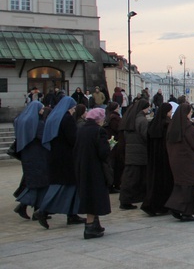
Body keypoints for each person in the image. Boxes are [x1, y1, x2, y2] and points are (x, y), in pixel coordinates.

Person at [34, 96, 86, 228]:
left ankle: (72, 214)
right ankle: (43, 211)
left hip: (55, 156)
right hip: (66, 157)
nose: (74, 110)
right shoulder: (67, 118)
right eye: (73, 108)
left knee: (68, 186)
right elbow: (73, 138)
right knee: (63, 186)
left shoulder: (54, 117)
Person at [164, 103, 194, 221]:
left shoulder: (173, 126)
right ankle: (186, 212)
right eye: (190, 112)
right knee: (190, 186)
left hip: (175, 160)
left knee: (180, 185)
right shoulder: (188, 128)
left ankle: (176, 207)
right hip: (188, 161)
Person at [73, 107, 111, 239]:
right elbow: (103, 152)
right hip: (95, 168)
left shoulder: (81, 130)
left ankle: (95, 224)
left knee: (89, 193)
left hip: (82, 166)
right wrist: (109, 145)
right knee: (95, 195)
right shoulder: (99, 131)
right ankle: (90, 227)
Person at [13, 101, 49, 220]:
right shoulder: (37, 123)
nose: (43, 111)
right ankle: (26, 206)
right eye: (42, 109)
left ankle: (36, 209)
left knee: (35, 183)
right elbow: (44, 137)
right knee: (39, 183)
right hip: (38, 155)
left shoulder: (21, 120)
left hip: (27, 155)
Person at [141, 102, 174, 216]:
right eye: (169, 111)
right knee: (165, 182)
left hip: (154, 158)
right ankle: (164, 205)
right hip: (165, 157)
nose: (170, 113)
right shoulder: (167, 125)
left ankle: (151, 204)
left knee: (155, 182)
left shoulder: (153, 124)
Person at [119, 99, 150, 210]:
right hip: (140, 153)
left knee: (131, 177)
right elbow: (147, 136)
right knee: (133, 178)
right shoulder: (142, 120)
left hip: (131, 152)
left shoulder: (130, 119)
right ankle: (126, 200)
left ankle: (127, 199)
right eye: (147, 107)